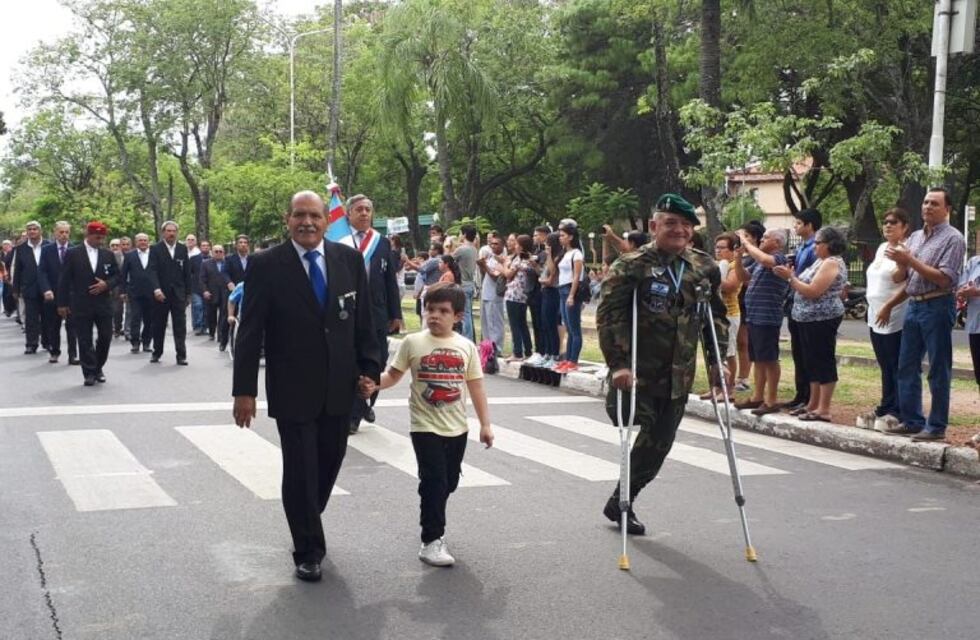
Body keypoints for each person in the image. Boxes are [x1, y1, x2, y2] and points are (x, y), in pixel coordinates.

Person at [232, 190, 382, 583]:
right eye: (300, 215)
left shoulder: (348, 259)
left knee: (328, 463)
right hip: (292, 386)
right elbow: (250, 330)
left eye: (314, 216)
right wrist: (244, 390)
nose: (308, 223)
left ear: (326, 220)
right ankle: (308, 549)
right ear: (288, 219)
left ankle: (304, 515)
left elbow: (363, 321)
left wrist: (371, 368)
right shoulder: (266, 264)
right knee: (300, 470)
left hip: (340, 384)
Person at [597, 194, 727, 535]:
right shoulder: (631, 266)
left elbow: (715, 316)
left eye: (686, 225)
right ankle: (623, 498)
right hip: (637, 371)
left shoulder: (704, 267)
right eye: (671, 223)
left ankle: (623, 499)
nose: (679, 230)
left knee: (659, 443)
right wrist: (619, 364)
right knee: (629, 422)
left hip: (678, 373)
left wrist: (718, 361)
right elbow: (610, 316)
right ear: (654, 226)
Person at [357, 283, 493, 566]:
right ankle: (431, 539)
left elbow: (476, 387)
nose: (434, 316)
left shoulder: (466, 347)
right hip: (424, 426)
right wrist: (372, 385)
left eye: (443, 311)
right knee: (434, 481)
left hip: (457, 428)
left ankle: (434, 516)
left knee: (449, 482)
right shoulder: (413, 343)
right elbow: (393, 376)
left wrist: (485, 425)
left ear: (457, 316)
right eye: (430, 309)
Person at [881, 187, 966, 441]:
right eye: (926, 202)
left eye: (935, 204)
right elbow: (904, 277)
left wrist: (911, 260)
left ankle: (936, 426)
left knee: (938, 368)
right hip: (914, 305)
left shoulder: (954, 239)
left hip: (937, 305)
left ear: (947, 210)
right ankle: (912, 420)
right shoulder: (916, 237)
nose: (928, 207)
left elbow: (944, 279)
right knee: (906, 365)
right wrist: (900, 263)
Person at [340, 194, 404, 435]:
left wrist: (396, 313)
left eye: (368, 209)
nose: (364, 213)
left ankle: (368, 400)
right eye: (359, 209)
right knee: (355, 361)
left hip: (377, 312)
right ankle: (354, 413)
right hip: (349, 311)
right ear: (349, 214)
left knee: (377, 359)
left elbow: (390, 281)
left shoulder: (382, 243)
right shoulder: (340, 242)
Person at [773, 227, 847, 422]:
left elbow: (813, 290)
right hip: (807, 318)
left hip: (822, 318)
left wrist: (789, 278)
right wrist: (793, 276)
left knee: (823, 362)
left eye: (818, 243)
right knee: (811, 362)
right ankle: (812, 404)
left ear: (829, 244)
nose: (814, 247)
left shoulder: (832, 263)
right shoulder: (820, 262)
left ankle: (824, 408)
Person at [859, 208, 911, 432]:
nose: (888, 226)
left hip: (894, 314)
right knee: (884, 363)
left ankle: (897, 408)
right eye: (885, 222)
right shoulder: (882, 248)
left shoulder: (906, 249)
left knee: (895, 363)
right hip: (875, 312)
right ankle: (886, 403)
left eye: (894, 222)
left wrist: (901, 261)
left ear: (904, 227)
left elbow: (902, 279)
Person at [733, 227, 790, 416]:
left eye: (766, 238)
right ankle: (757, 396)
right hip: (754, 316)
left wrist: (747, 243)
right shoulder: (758, 262)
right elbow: (743, 278)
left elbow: (766, 261)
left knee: (769, 359)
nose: (762, 241)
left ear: (777, 243)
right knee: (757, 359)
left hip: (768, 316)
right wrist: (738, 258)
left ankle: (771, 400)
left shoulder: (779, 258)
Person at [56, 222, 119, 386]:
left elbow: (117, 276)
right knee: (84, 339)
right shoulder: (73, 253)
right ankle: (89, 371)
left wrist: (107, 284)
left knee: (105, 336)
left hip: (103, 303)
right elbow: (64, 279)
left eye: (103, 237)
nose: (101, 241)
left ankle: (99, 366)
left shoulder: (108, 254)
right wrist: (62, 303)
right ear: (88, 235)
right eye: (97, 237)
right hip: (81, 303)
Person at [784, 208, 822, 412]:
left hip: (807, 305)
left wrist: (791, 275)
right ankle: (800, 393)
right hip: (795, 302)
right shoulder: (801, 247)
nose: (795, 227)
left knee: (808, 353)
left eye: (798, 223)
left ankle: (808, 396)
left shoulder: (814, 248)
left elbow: (806, 277)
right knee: (798, 352)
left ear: (809, 225)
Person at [701, 232, 742, 401]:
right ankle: (715, 386)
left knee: (729, 353)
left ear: (733, 249)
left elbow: (730, 286)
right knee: (714, 351)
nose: (718, 251)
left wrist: (712, 279)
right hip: (713, 312)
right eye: (716, 247)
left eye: (722, 248)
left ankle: (729, 388)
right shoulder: (717, 265)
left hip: (730, 314)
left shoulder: (733, 266)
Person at [147, 220, 192, 365]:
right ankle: (157, 352)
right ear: (163, 232)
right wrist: (156, 289)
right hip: (161, 293)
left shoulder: (182, 249)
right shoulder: (155, 249)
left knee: (180, 325)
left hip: (178, 293)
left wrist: (189, 293)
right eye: (169, 231)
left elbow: (187, 272)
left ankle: (181, 355)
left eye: (174, 231)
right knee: (159, 324)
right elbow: (152, 270)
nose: (171, 233)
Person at [38, 221, 79, 365]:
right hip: (53, 294)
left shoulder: (76, 249)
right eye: (61, 232)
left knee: (72, 326)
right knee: (53, 325)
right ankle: (54, 352)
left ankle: (73, 355)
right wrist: (46, 289)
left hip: (72, 295)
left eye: (66, 232)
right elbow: (42, 272)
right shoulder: (47, 250)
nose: (64, 235)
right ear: (55, 233)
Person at [12, 220, 50, 354]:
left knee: (47, 317)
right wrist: (15, 289)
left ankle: (47, 342)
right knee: (31, 318)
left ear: (40, 231)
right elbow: (17, 270)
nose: (32, 231)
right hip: (29, 288)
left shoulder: (48, 246)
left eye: (34, 229)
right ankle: (31, 344)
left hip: (47, 289)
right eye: (29, 229)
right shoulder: (21, 248)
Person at [556, 220, 585, 372]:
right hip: (562, 289)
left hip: (570, 289)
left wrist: (572, 295)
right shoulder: (565, 253)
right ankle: (567, 358)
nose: (560, 238)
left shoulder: (576, 254)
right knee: (567, 326)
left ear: (571, 237)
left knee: (574, 327)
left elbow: (576, 276)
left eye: (563, 235)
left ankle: (574, 360)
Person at [120, 233, 155, 354]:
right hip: (135, 292)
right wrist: (123, 291)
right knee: (135, 317)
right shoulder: (130, 255)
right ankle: (135, 342)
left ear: (148, 242)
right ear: (136, 242)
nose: (143, 242)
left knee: (149, 319)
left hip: (152, 293)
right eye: (140, 240)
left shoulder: (154, 254)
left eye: (145, 240)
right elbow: (123, 274)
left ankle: (146, 342)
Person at [502, 234, 535, 362]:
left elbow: (508, 274)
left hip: (514, 294)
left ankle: (517, 352)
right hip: (523, 295)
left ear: (521, 247)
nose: (514, 246)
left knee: (514, 324)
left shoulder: (518, 260)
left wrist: (504, 264)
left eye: (516, 244)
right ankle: (528, 350)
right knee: (522, 324)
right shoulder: (529, 260)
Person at [200, 244, 234, 351]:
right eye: (216, 251)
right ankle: (211, 331)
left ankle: (221, 336)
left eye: (220, 251)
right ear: (212, 252)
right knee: (211, 314)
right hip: (211, 292)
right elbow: (202, 279)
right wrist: (205, 290)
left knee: (223, 315)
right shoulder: (206, 264)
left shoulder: (228, 263)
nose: (218, 253)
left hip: (225, 292)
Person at [537, 232, 563, 369]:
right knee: (545, 323)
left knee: (551, 323)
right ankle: (547, 352)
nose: (545, 245)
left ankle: (555, 354)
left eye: (548, 243)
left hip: (553, 291)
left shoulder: (557, 257)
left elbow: (552, 276)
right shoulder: (550, 257)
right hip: (545, 291)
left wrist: (549, 255)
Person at [477, 232, 506, 351]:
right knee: (486, 322)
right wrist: (482, 265)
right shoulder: (490, 257)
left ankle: (496, 348)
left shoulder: (502, 259)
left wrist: (484, 265)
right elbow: (486, 274)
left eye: (496, 244)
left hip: (495, 295)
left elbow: (496, 276)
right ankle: (487, 347)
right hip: (486, 292)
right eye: (492, 244)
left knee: (495, 322)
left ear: (502, 246)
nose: (493, 246)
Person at [453, 225, 480, 342]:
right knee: (468, 314)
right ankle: (470, 338)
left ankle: (467, 339)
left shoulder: (461, 249)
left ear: (463, 235)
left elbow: (448, 259)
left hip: (462, 284)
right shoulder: (474, 249)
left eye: (460, 233)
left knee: (464, 315)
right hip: (470, 284)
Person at [187, 234, 208, 336]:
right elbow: (188, 273)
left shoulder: (212, 258)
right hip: (195, 286)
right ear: (200, 247)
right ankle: (197, 326)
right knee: (197, 306)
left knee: (206, 307)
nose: (205, 247)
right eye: (203, 246)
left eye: (207, 246)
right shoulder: (194, 259)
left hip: (208, 287)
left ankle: (205, 326)